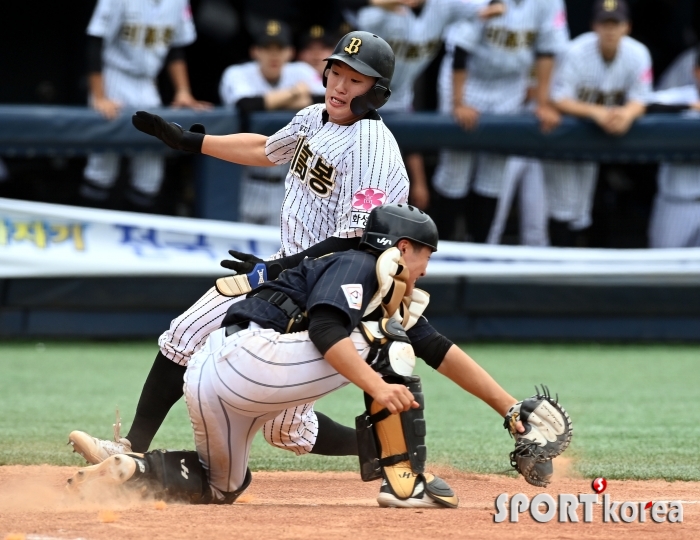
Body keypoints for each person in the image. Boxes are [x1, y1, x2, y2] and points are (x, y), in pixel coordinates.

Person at [68, 31, 409, 467]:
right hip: (291, 271)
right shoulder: (313, 117)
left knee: (288, 431)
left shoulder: (372, 149)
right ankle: (128, 448)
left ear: (377, 91)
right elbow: (266, 149)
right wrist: (190, 142)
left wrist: (274, 268)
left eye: (356, 80)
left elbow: (352, 241)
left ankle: (382, 446)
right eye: (336, 72)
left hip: (333, 286)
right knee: (184, 335)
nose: (340, 86)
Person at [67, 204, 550, 508]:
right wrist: (379, 385)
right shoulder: (359, 263)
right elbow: (324, 329)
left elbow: (439, 350)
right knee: (389, 341)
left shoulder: (375, 285)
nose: (426, 269)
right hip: (249, 357)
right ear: (404, 247)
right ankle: (403, 481)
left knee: (224, 487)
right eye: (426, 255)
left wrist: (509, 407)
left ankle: (134, 470)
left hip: (215, 379)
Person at [431, 0, 569, 243]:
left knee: (494, 172)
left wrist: (543, 101)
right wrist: (458, 102)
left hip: (510, 86)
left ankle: (479, 249)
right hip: (467, 80)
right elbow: (460, 49)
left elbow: (547, 50)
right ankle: (439, 248)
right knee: (455, 171)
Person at [356, 0, 508, 211]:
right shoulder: (375, 14)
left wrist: (492, 9)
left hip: (399, 97)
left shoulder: (442, 7)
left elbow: (493, 8)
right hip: (360, 98)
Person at [78, 0, 210, 211]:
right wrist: (99, 96)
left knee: (151, 173)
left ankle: (135, 239)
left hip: (148, 83)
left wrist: (183, 91)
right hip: (113, 77)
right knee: (103, 168)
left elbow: (175, 48)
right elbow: (95, 41)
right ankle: (88, 236)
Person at [543, 0, 651, 247]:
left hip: (593, 139)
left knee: (581, 210)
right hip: (564, 135)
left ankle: (573, 269)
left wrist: (627, 114)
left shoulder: (638, 54)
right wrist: (598, 113)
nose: (610, 30)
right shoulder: (576, 51)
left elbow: (642, 98)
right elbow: (557, 97)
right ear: (594, 26)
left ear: (627, 27)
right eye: (605, 23)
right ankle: (556, 269)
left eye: (616, 23)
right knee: (560, 208)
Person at [219, 19, 325, 225]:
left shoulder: (301, 70)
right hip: (245, 181)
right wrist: (294, 94)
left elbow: (326, 101)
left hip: (285, 185)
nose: (274, 54)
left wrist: (271, 102)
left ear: (290, 52)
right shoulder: (238, 73)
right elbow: (245, 105)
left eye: (280, 48)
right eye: (267, 48)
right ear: (255, 51)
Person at [646, 46, 700, 248]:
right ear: (695, 72)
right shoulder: (681, 96)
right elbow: (643, 103)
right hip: (677, 203)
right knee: (661, 271)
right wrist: (688, 107)